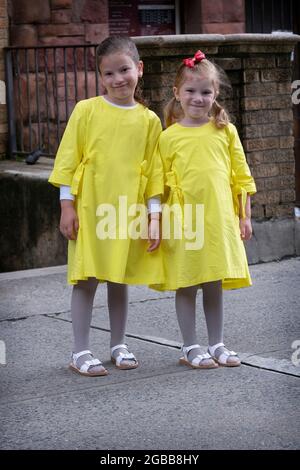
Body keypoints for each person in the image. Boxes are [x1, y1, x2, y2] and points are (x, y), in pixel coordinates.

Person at [48, 36, 164, 376]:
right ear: (100, 77)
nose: (118, 79)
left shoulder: (149, 120)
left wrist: (154, 216)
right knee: (86, 279)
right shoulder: (86, 111)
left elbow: (155, 172)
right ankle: (80, 350)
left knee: (119, 278)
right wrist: (66, 205)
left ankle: (118, 344)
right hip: (90, 210)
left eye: (124, 70)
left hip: (126, 212)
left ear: (139, 69)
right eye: (109, 73)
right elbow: (68, 160)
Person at [154, 50, 256, 369]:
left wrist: (245, 215)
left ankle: (217, 343)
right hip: (184, 221)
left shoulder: (225, 131)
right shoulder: (168, 138)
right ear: (177, 93)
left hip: (218, 219)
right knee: (187, 282)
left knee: (213, 281)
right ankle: (190, 346)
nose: (198, 98)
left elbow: (241, 175)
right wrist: (156, 221)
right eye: (190, 91)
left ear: (215, 94)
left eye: (205, 92)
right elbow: (158, 183)